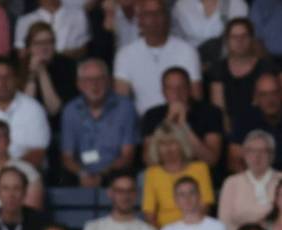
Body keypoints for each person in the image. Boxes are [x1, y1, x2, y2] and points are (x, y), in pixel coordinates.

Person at [113, 0, 201, 116]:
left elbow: (196, 98)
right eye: (148, 14)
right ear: (140, 19)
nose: (154, 19)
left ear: (167, 17)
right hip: (142, 125)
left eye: (159, 13)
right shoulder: (125, 55)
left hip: (182, 121)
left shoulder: (187, 51)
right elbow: (121, 103)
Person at [59, 58, 137, 188]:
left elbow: (127, 155)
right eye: (88, 80)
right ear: (79, 84)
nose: (94, 85)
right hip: (80, 174)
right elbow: (67, 157)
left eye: (99, 79)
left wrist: (102, 174)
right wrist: (82, 174)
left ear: (108, 81)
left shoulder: (125, 107)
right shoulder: (70, 110)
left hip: (114, 172)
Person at [229, 73, 282, 179]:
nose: (270, 100)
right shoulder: (244, 118)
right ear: (256, 98)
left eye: (274, 93)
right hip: (252, 182)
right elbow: (235, 159)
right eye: (263, 94)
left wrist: (278, 181)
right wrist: (253, 183)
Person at [140, 66, 222, 170]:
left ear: (189, 89)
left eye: (181, 87)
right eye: (170, 88)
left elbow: (211, 160)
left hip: (200, 172)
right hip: (164, 174)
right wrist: (168, 122)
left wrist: (184, 127)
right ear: (163, 92)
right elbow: (149, 160)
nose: (176, 93)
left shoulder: (210, 112)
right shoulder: (152, 115)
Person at [210, 18, 278, 133]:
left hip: (260, 127)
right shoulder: (218, 68)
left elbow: (262, 105)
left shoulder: (265, 67)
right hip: (228, 130)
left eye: (244, 36)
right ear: (227, 41)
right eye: (234, 37)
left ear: (251, 39)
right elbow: (219, 109)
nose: (239, 41)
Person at [141, 122, 213, 228]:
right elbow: (149, 213)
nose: (168, 148)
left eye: (173, 143)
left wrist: (190, 229)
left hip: (196, 227)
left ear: (182, 144)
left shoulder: (200, 168)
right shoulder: (152, 173)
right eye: (162, 144)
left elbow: (206, 204)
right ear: (156, 147)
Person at [217, 131, 282, 230]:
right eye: (251, 151)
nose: (257, 156)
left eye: (263, 151)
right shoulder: (231, 183)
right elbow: (224, 224)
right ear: (245, 154)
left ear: (272, 155)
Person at [17, 21, 77, 120]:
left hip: (58, 125)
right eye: (38, 43)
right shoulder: (19, 66)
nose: (44, 47)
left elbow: (54, 109)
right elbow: (25, 110)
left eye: (49, 42)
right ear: (29, 47)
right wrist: (32, 75)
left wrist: (42, 72)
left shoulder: (67, 65)